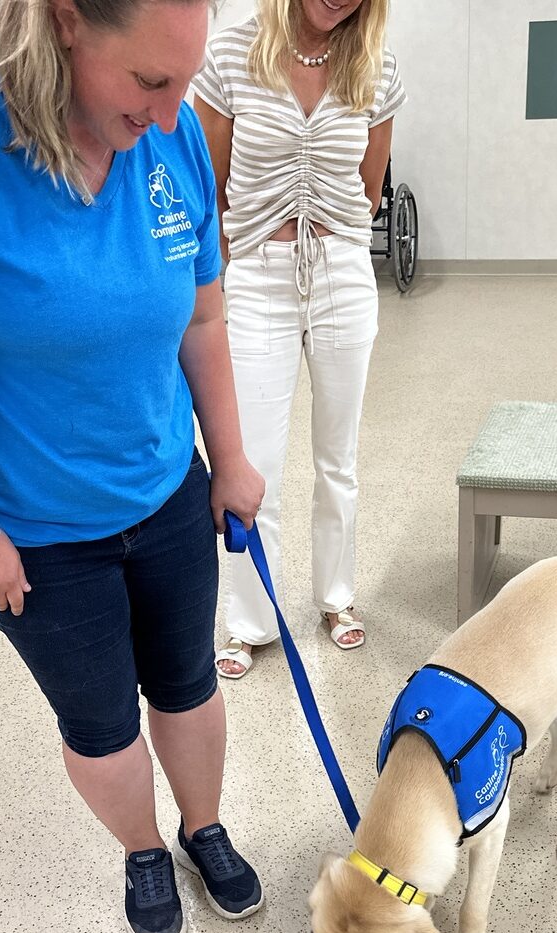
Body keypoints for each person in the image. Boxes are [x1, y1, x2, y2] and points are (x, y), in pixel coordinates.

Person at [0, 0, 266, 933]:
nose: (169, 116)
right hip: (32, 532)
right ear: (66, 23)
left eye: (183, 84)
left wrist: (230, 458)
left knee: (188, 682)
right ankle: (143, 848)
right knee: (101, 721)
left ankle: (204, 828)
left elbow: (200, 320)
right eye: (150, 83)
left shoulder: (171, 140)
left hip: (163, 487)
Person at [192, 0, 405, 679]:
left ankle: (336, 598)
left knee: (337, 458)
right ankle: (250, 621)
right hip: (255, 276)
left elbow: (367, 191)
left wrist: (331, 242)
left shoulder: (378, 67)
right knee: (253, 465)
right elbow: (209, 190)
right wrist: (223, 284)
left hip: (341, 270)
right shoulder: (229, 57)